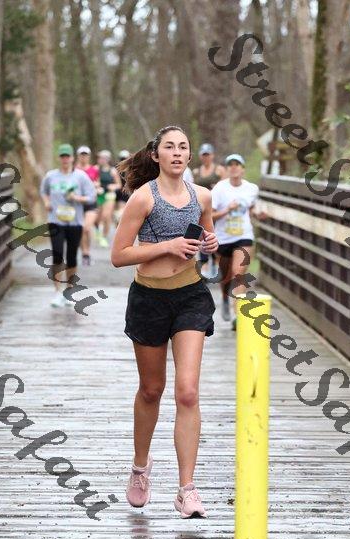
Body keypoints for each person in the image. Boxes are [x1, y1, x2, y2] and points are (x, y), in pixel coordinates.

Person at [111, 125, 218, 518]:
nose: (177, 153)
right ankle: (140, 468)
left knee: (187, 392)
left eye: (183, 147)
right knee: (151, 389)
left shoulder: (202, 196)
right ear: (156, 155)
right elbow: (119, 255)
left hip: (190, 296)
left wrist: (210, 243)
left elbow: (208, 238)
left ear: (190, 155)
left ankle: (187, 489)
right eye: (169, 147)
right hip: (149, 299)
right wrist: (167, 246)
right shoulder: (143, 198)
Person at [211, 153, 264, 330]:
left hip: (244, 236)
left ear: (242, 169)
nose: (234, 167)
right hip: (223, 238)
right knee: (226, 277)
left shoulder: (252, 189)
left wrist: (258, 214)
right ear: (227, 169)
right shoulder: (219, 189)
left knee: (238, 274)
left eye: (237, 164)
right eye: (230, 165)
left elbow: (252, 208)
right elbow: (210, 215)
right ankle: (225, 299)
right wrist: (227, 210)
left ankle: (238, 316)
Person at [40, 143, 96, 307]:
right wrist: (46, 202)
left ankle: (69, 291)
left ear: (72, 158)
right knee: (57, 255)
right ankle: (57, 291)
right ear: (59, 158)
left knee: (71, 257)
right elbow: (43, 191)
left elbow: (91, 197)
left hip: (75, 222)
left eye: (67, 156)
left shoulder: (81, 177)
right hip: (55, 221)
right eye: (62, 156)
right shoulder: (51, 176)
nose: (65, 159)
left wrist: (76, 198)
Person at [192, 144, 226, 278]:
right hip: (201, 207)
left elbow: (225, 186)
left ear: (212, 155)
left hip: (216, 208)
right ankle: (205, 265)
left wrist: (215, 189)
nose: (206, 157)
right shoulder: (196, 172)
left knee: (214, 234)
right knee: (202, 234)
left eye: (208, 154)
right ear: (200, 156)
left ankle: (217, 264)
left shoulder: (219, 170)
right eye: (204, 155)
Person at [75, 146, 99, 266]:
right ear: (78, 156)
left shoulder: (94, 169)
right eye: (82, 155)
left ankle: (87, 252)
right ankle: (85, 254)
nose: (83, 157)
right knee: (81, 229)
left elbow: (99, 183)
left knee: (86, 228)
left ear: (89, 156)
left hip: (91, 202)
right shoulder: (74, 170)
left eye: (85, 155)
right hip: (77, 203)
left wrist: (96, 186)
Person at [95, 150, 122, 247]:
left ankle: (103, 236)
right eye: (100, 158)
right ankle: (98, 232)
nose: (102, 160)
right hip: (99, 195)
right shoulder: (96, 169)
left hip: (109, 195)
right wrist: (96, 186)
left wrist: (113, 186)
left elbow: (118, 185)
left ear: (108, 159)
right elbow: (92, 180)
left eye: (104, 158)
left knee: (106, 216)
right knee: (98, 217)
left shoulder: (112, 171)